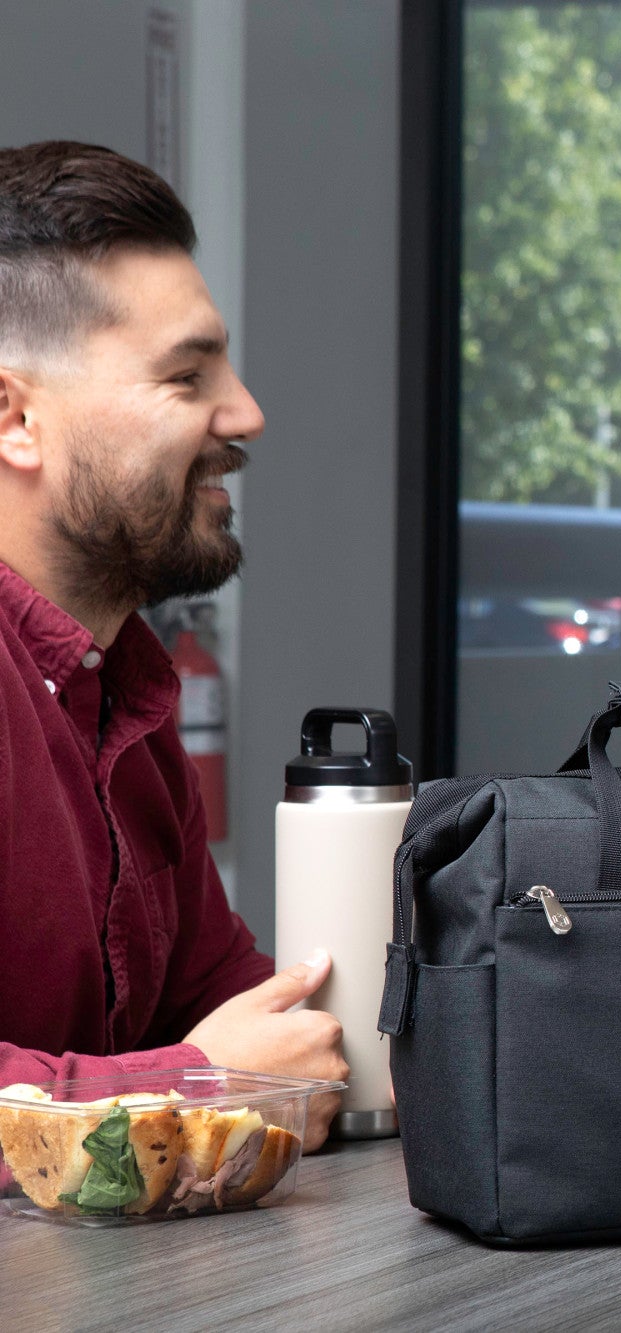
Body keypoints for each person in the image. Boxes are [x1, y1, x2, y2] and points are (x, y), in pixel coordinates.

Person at [0, 142, 345, 1147]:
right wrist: (202, 1084)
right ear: (15, 416)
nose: (244, 413)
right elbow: (226, 1061)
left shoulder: (125, 691)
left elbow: (242, 1013)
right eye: (188, 375)